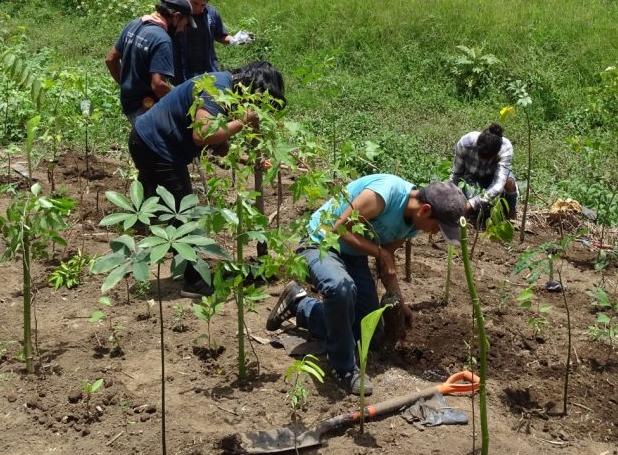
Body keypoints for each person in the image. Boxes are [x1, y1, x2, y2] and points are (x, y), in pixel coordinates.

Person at [265, 175, 466, 396]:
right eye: (437, 227)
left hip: (354, 256)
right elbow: (339, 228)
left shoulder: (413, 225)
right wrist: (381, 253)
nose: (435, 233)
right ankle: (344, 368)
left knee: (369, 336)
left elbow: (386, 259)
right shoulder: (385, 194)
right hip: (320, 243)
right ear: (425, 210)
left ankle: (300, 305)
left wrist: (398, 301)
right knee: (341, 289)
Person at [129, 61, 286, 297]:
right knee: (182, 214)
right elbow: (202, 134)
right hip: (156, 146)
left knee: (168, 212)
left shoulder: (226, 92)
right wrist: (245, 119)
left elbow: (219, 147)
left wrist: (247, 159)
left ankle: (181, 267)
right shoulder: (218, 88)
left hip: (149, 141)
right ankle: (195, 283)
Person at [106, 0, 194, 123]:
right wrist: (182, 105)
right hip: (147, 110)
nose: (182, 29)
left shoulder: (134, 23)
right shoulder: (162, 39)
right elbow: (158, 85)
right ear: (176, 17)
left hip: (129, 104)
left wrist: (125, 85)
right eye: (184, 24)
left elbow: (110, 59)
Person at [173, 0, 252, 84]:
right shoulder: (176, 14)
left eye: (202, 5)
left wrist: (235, 40)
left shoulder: (212, 14)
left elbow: (219, 36)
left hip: (208, 69)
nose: (198, 8)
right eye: (195, 3)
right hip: (182, 70)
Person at [448, 123, 518, 221]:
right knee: (474, 211)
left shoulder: (506, 148)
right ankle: (479, 212)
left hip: (492, 177)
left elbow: (498, 185)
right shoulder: (465, 143)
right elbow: (456, 174)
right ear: (477, 146)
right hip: (472, 179)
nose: (483, 161)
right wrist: (451, 195)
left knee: (509, 182)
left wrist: (471, 203)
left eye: (487, 158)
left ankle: (510, 213)